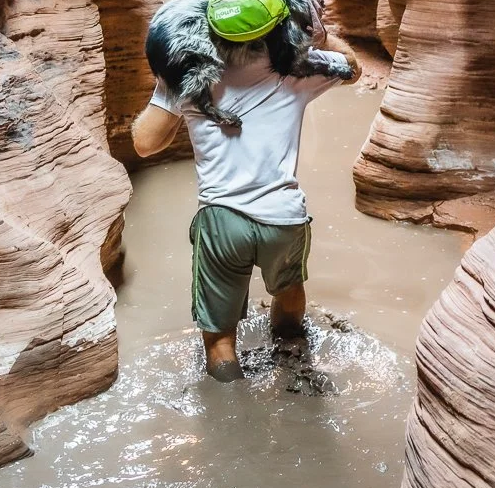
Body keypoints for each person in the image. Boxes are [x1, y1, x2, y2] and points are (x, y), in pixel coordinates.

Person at [131, 30, 362, 382]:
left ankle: (232, 412)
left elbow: (145, 144)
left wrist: (169, 84)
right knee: (288, 293)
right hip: (284, 219)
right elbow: (353, 68)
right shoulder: (295, 67)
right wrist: (321, 37)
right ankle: (293, 365)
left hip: (222, 221)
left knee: (220, 337)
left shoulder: (187, 75)